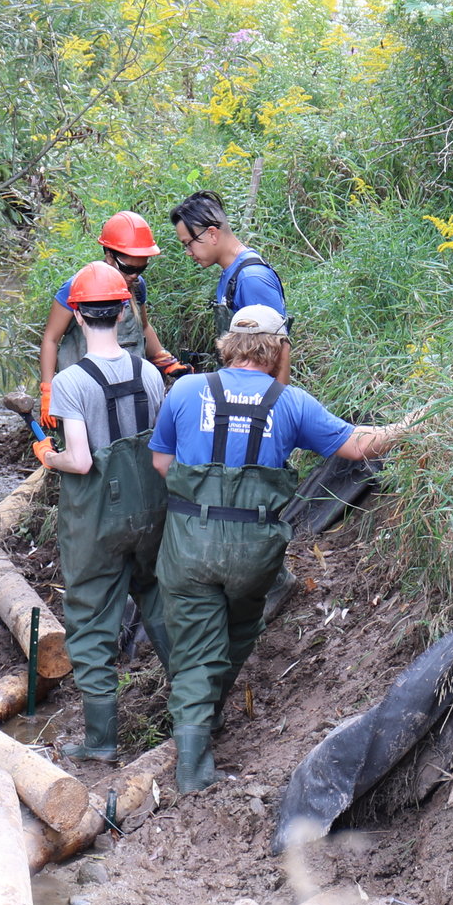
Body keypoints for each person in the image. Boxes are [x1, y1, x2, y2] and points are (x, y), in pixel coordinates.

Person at [148, 305, 406, 792]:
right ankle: (206, 715)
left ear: (229, 345)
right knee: (240, 628)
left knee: (194, 648)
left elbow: (162, 463)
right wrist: (411, 425)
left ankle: (193, 759)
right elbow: (359, 445)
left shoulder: (184, 390)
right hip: (254, 548)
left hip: (189, 543)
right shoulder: (290, 403)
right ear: (278, 348)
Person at [31, 261, 171, 762]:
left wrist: (48, 456)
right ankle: (195, 712)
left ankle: (101, 741)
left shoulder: (71, 381)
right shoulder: (150, 372)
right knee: (157, 600)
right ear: (120, 311)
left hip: (96, 518)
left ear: (81, 317)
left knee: (91, 619)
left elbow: (81, 459)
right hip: (152, 511)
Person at [37, 212, 188, 428]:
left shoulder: (137, 287)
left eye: (141, 269)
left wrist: (164, 360)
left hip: (130, 389)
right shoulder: (76, 287)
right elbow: (51, 339)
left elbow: (142, 327)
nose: (134, 275)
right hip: (85, 391)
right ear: (109, 255)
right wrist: (48, 390)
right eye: (128, 268)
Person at [169, 191, 287, 333]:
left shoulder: (251, 279)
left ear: (212, 234)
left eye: (189, 243)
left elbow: (275, 346)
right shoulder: (232, 272)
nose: (188, 252)